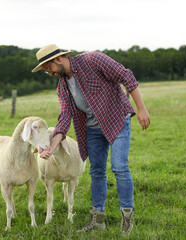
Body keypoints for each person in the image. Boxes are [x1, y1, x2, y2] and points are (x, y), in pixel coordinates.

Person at [32, 44, 150, 234]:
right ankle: (98, 220)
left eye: (49, 69)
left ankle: (127, 219)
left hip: (117, 119)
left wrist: (141, 108)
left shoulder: (93, 60)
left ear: (58, 59)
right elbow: (64, 117)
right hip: (93, 128)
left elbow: (125, 75)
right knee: (96, 171)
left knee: (119, 167)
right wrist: (51, 148)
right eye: (47, 72)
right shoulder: (63, 86)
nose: (50, 74)